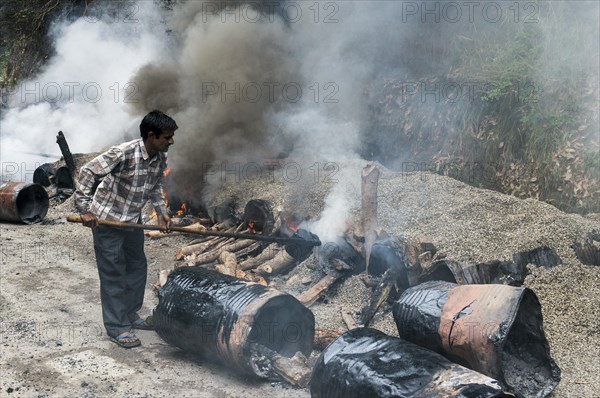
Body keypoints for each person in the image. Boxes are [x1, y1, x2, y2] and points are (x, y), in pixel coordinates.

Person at [74, 110, 177, 348]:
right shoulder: (123, 152)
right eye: (167, 137)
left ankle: (130, 314)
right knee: (113, 272)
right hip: (107, 221)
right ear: (152, 136)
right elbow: (88, 171)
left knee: (137, 268)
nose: (171, 141)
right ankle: (117, 327)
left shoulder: (160, 158)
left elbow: (155, 185)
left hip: (132, 221)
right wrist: (84, 209)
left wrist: (162, 212)